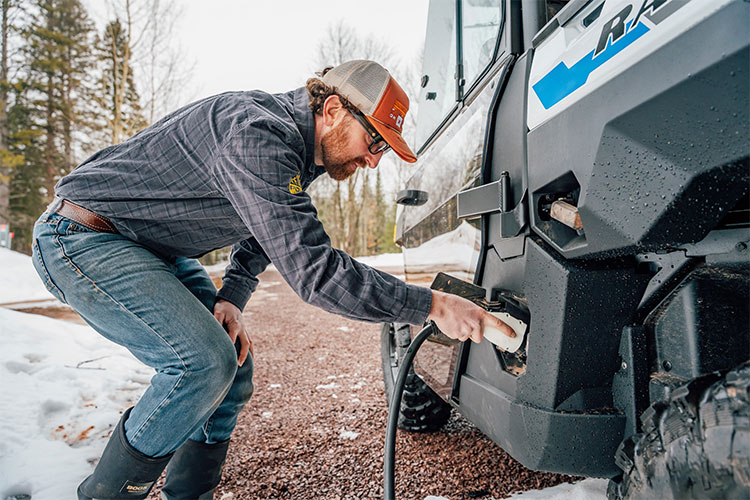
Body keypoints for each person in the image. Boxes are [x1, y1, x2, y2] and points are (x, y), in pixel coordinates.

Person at [31, 60, 514, 500]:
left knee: (233, 371)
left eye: (384, 150)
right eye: (375, 143)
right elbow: (316, 272)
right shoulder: (257, 135)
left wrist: (232, 295)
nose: (374, 161)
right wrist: (432, 305)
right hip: (83, 237)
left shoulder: (298, 153)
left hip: (153, 248)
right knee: (202, 364)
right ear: (333, 110)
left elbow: (265, 231)